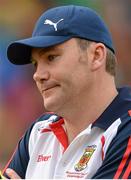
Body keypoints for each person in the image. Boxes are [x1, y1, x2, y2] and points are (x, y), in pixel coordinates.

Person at [2, 5, 131, 179]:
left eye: (51, 57)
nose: (37, 75)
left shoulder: (125, 129)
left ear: (96, 55)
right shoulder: (38, 132)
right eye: (35, 63)